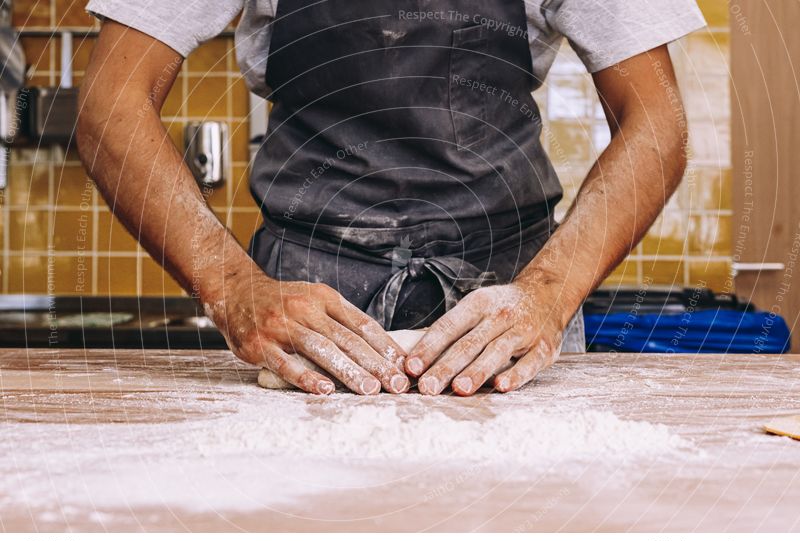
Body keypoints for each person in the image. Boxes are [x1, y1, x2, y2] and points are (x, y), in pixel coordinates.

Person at [78, 0, 706, 395]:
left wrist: (546, 296)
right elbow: (110, 107)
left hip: (507, 314)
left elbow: (657, 126)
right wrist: (233, 289)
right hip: (303, 323)